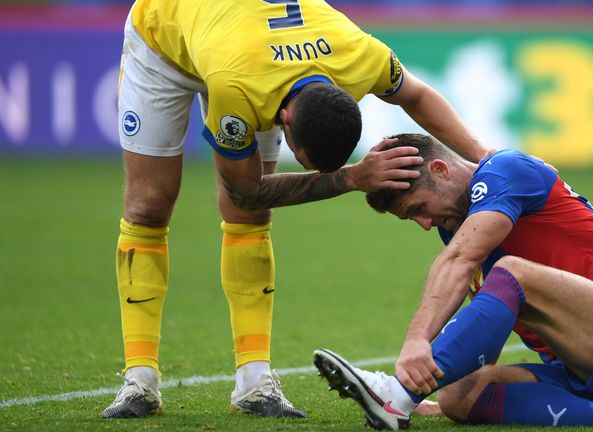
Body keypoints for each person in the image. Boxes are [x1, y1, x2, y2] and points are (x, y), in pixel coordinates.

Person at [102, 0, 488, 420]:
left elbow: (416, 93)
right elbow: (247, 190)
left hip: (245, 41)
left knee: (249, 220)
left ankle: (254, 382)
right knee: (149, 207)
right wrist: (350, 179)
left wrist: (486, 159)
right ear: (284, 118)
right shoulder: (240, 88)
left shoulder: (361, 56)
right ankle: (139, 381)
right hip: (164, 34)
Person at [313, 133, 593, 430]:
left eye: (419, 208)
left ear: (439, 169)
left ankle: (395, 396)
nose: (423, 224)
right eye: (411, 218)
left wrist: (416, 346)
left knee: (513, 271)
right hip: (583, 370)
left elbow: (463, 260)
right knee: (460, 395)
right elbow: (488, 309)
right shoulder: (456, 228)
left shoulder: (506, 170)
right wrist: (460, 379)